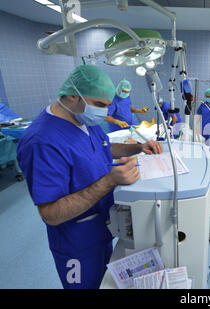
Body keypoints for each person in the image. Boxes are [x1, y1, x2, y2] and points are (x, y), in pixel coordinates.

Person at [16, 65, 163, 289]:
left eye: (107, 106)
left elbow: (103, 147)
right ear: (73, 95)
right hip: (77, 244)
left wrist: (138, 147)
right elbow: (51, 214)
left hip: (102, 228)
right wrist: (110, 180)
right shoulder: (41, 142)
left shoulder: (84, 119)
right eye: (99, 105)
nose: (104, 112)